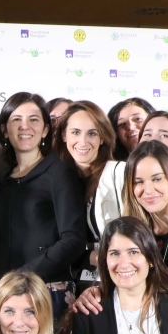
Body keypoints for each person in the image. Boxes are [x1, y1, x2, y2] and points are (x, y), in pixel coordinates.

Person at [0, 92, 87, 301]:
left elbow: (73, 239)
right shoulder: (1, 181)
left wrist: (24, 276)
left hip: (46, 290)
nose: (25, 126)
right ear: (5, 130)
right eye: (16, 120)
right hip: (2, 294)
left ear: (45, 130)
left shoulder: (59, 172)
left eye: (33, 120)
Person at [53, 100, 125, 287]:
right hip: (70, 284)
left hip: (114, 280)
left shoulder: (119, 174)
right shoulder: (56, 179)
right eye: (76, 132)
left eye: (92, 133)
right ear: (64, 135)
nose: (83, 142)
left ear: (102, 138)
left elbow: (135, 236)